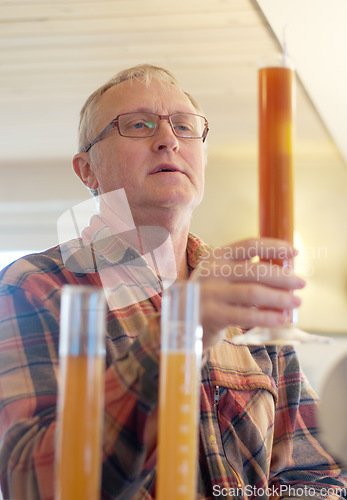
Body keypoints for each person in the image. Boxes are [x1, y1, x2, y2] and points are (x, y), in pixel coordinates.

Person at [0, 64, 346, 500]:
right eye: (138, 124)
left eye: (183, 125)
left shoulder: (246, 303)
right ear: (87, 170)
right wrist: (178, 333)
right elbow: (31, 481)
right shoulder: (37, 286)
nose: (168, 139)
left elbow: (321, 478)